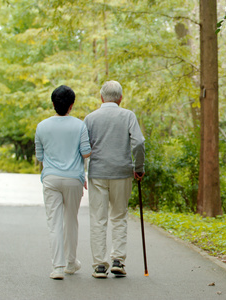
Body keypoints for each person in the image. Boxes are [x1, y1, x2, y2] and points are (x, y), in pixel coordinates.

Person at [85, 80, 145, 278]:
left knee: (98, 218)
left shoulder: (90, 118)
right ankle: (118, 260)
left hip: (98, 173)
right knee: (119, 216)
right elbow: (139, 143)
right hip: (122, 172)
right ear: (120, 98)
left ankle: (100, 266)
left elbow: (84, 148)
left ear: (101, 97)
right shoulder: (128, 115)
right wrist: (138, 167)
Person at [35, 85, 91, 280]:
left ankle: (57, 267)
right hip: (73, 180)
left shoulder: (41, 126)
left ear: (53, 104)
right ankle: (70, 263)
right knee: (71, 220)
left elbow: (40, 155)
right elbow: (86, 152)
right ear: (71, 105)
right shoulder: (80, 125)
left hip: (50, 178)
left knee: (54, 223)